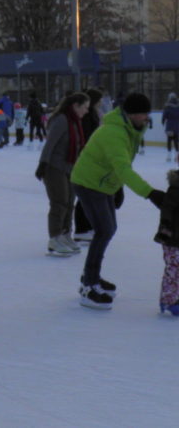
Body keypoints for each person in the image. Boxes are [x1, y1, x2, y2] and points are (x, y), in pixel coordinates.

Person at [71, 92, 165, 310]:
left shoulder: (130, 127)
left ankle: (91, 276)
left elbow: (119, 165)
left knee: (108, 229)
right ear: (131, 114)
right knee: (103, 230)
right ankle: (89, 284)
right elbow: (123, 167)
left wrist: (117, 187)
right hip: (88, 182)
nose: (146, 118)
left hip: (104, 183)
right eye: (143, 114)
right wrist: (150, 193)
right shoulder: (114, 132)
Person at [35, 93, 90, 256]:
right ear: (75, 106)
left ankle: (65, 234)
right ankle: (54, 238)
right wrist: (42, 165)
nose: (86, 111)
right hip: (54, 167)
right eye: (85, 107)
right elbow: (49, 144)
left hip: (70, 167)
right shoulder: (61, 120)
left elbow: (79, 146)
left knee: (70, 202)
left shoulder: (75, 121)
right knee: (59, 202)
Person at [72, 89, 103, 242]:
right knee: (85, 194)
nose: (101, 104)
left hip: (92, 158)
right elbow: (86, 137)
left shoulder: (93, 114)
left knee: (90, 194)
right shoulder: (87, 117)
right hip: (86, 158)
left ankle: (87, 227)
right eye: (99, 101)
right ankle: (81, 229)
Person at [153, 169, 179, 315]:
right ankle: (168, 300)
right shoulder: (175, 189)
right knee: (173, 269)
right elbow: (167, 209)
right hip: (172, 238)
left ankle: (174, 298)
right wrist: (165, 226)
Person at [162, 93, 179, 162]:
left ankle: (169, 156)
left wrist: (163, 121)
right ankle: (176, 156)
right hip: (177, 126)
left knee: (169, 140)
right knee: (176, 141)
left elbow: (164, 115)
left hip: (169, 126)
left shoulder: (167, 106)